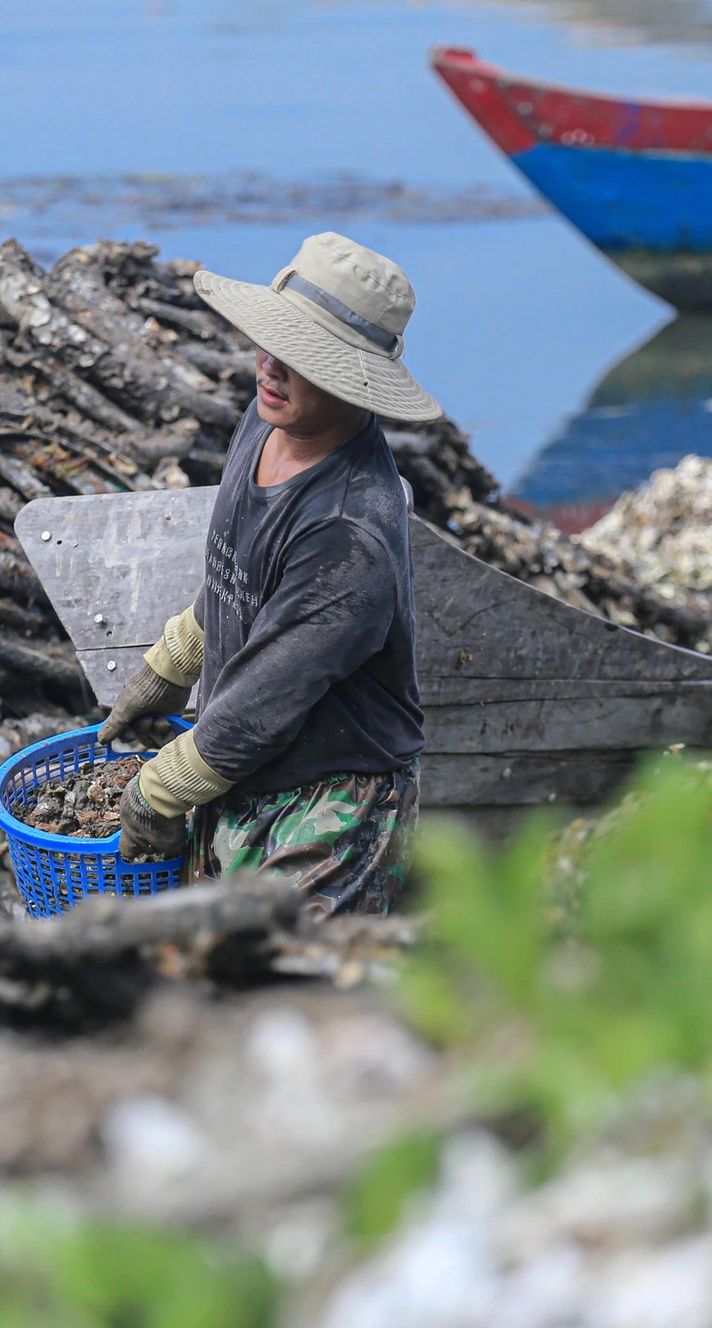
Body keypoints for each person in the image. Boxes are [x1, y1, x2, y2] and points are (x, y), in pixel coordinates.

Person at [99, 232, 437, 916]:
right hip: (242, 764)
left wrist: (156, 792)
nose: (271, 368)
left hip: (329, 804)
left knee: (293, 995)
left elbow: (264, 703)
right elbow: (240, 579)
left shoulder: (349, 530)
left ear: (352, 378)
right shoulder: (266, 420)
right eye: (271, 342)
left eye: (302, 358)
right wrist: (173, 661)